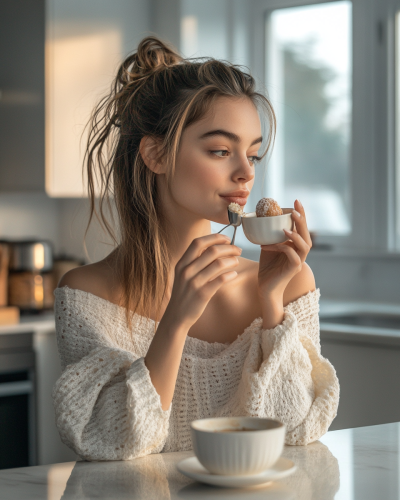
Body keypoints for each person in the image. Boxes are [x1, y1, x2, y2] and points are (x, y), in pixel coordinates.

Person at [52, 36, 339, 461]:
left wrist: (272, 304)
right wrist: (174, 322)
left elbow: (294, 431)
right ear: (156, 154)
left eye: (253, 156)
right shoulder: (86, 296)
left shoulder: (289, 281)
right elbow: (112, 442)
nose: (245, 173)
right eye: (221, 151)